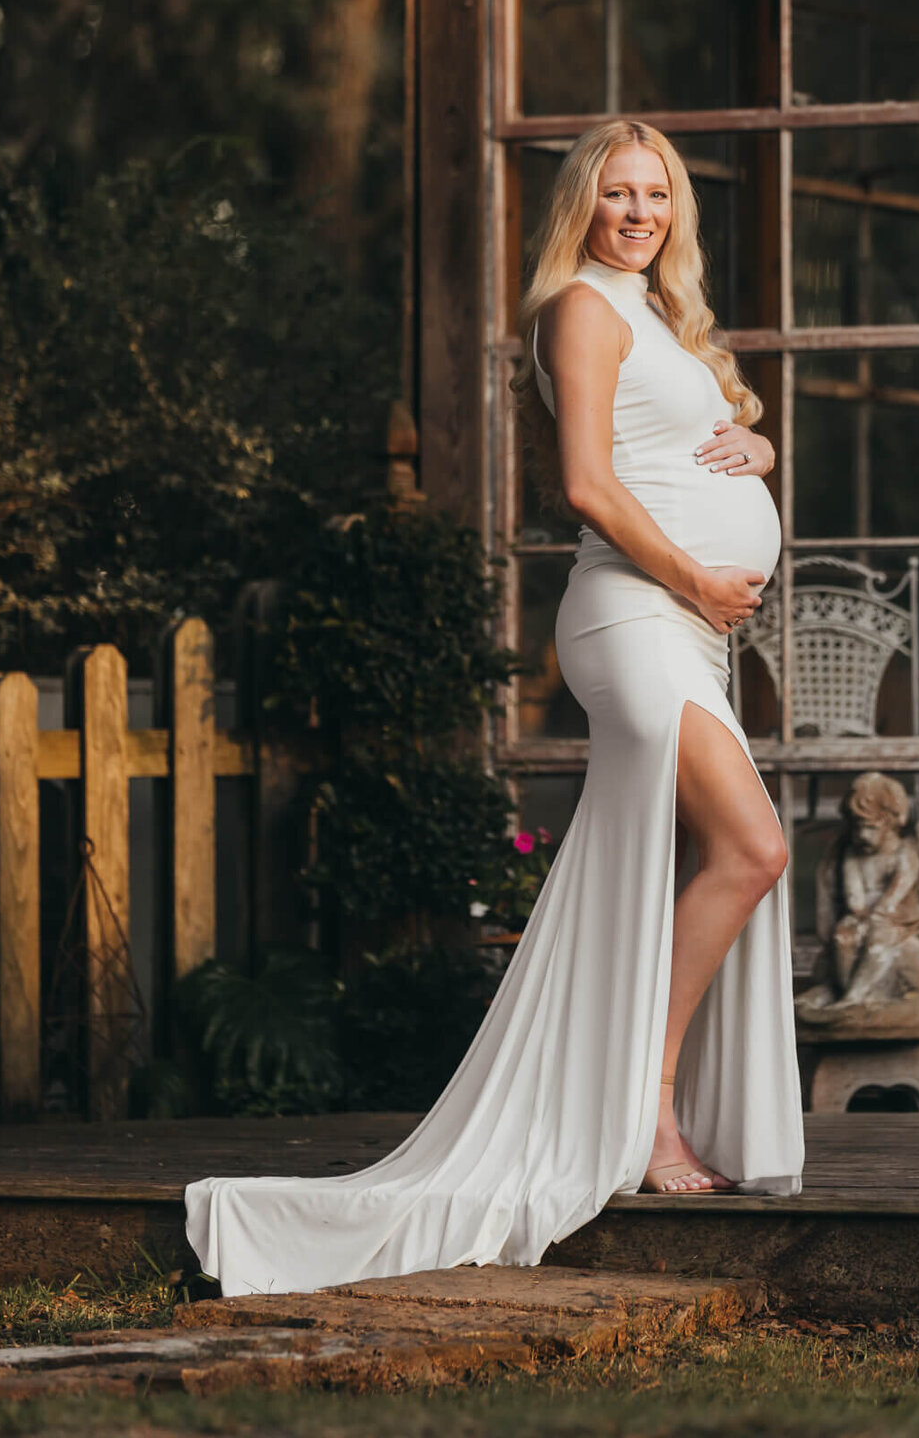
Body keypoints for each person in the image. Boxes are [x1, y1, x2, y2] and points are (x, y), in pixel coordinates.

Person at [184, 117, 804, 1297]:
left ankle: (641, 1104)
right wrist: (697, 577)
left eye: (656, 194)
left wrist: (759, 450)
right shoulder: (579, 305)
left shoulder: (663, 315)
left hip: (687, 623)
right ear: (584, 203)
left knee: (700, 856)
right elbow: (585, 482)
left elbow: (700, 439)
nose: (638, 212)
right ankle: (647, 1112)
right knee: (753, 847)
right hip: (634, 617)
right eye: (618, 193)